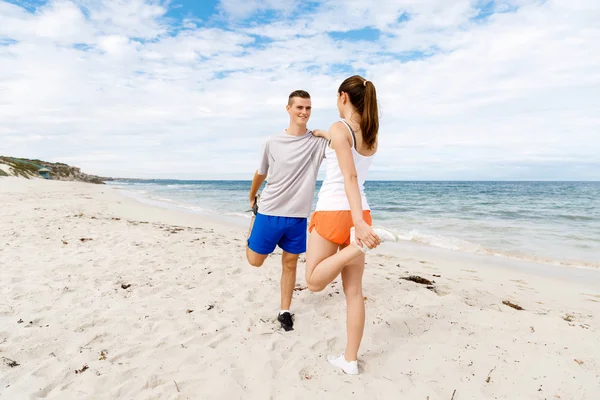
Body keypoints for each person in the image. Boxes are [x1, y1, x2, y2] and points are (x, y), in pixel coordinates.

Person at [306, 75, 397, 375]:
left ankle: (355, 247)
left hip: (336, 211)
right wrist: (360, 219)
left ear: (343, 97)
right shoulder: (370, 135)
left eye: (336, 97)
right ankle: (350, 360)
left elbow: (349, 177)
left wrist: (356, 224)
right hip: (362, 212)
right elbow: (349, 155)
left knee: (314, 281)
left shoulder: (339, 128)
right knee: (354, 292)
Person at [246, 89, 328, 332]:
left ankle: (284, 310)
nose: (304, 112)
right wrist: (252, 195)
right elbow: (261, 172)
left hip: (298, 216)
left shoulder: (317, 142)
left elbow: (343, 140)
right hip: (269, 210)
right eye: (299, 107)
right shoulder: (272, 141)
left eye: (308, 108)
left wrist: (322, 132)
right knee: (255, 261)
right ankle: (251, 231)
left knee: (290, 264)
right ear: (288, 109)